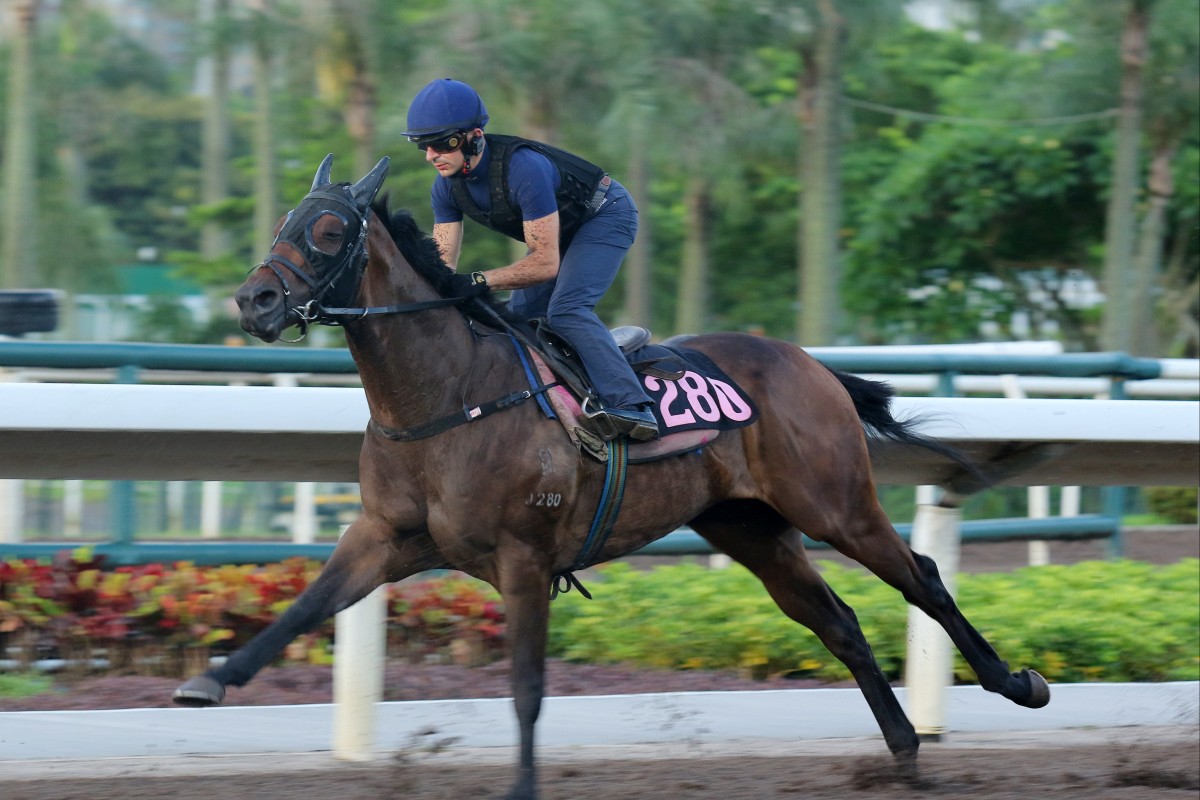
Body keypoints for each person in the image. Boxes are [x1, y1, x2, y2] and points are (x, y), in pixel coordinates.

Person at [403, 77, 658, 441]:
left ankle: (632, 405)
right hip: (559, 232)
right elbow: (442, 265)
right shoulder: (445, 187)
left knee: (566, 310)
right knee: (514, 321)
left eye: (442, 144)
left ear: (475, 136)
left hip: (604, 215)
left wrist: (478, 281)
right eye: (423, 146)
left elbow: (545, 264)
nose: (431, 156)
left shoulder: (524, 168)